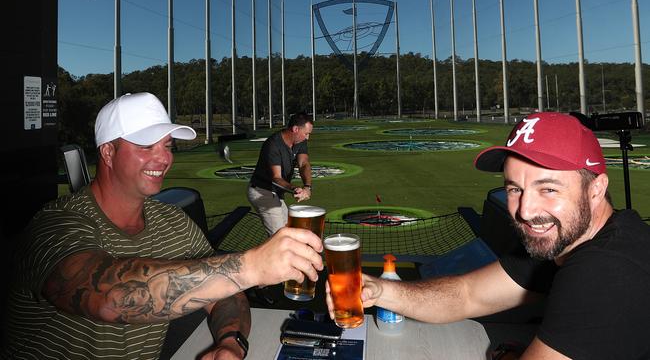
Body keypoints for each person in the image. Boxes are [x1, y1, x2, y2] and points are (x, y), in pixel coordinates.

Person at [3, 92, 324, 359]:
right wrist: (251, 266)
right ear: (108, 152)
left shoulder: (172, 223)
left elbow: (225, 293)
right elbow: (109, 298)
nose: (163, 158)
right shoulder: (55, 225)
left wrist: (230, 342)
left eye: (167, 146)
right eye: (146, 146)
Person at [326, 112, 650, 359]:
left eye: (548, 188)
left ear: (597, 189)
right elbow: (468, 295)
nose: (525, 209)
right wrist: (378, 290)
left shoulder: (608, 270)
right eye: (515, 189)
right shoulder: (564, 239)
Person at [248, 112, 314, 236]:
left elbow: (304, 163)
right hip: (262, 191)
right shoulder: (273, 145)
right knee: (280, 237)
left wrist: (307, 186)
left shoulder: (300, 141)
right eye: (306, 133)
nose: (307, 138)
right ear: (295, 129)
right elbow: (276, 178)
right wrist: (294, 189)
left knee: (289, 232)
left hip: (276, 193)